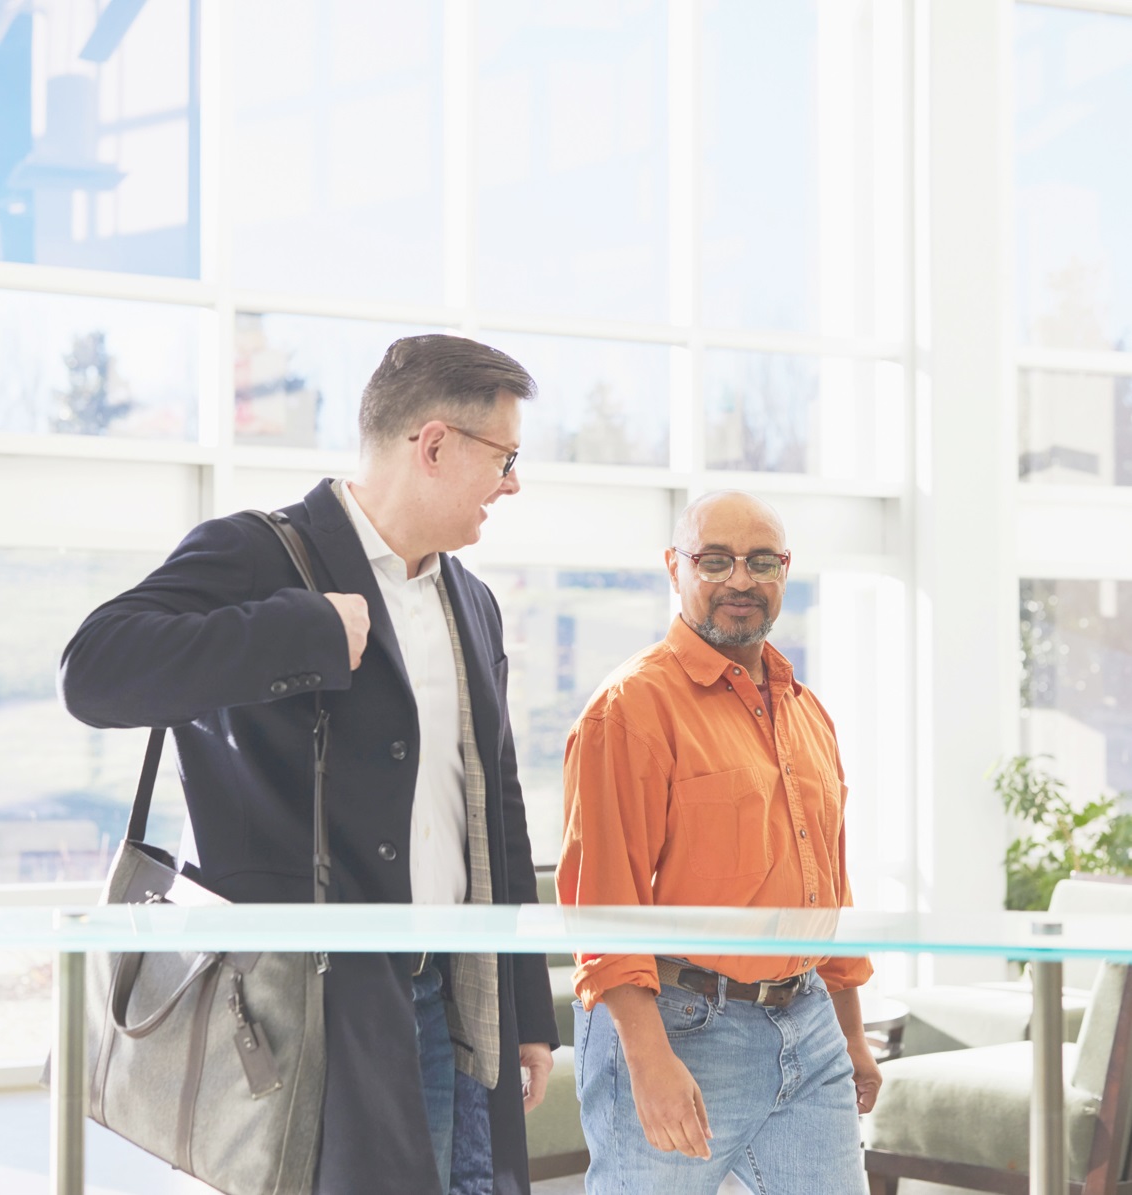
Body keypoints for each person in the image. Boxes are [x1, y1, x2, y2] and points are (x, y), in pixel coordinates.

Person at [60, 334, 559, 1195]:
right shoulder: (257, 553)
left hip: (449, 997)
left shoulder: (472, 601)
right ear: (434, 444)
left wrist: (523, 1008)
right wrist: (303, 630)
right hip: (306, 1008)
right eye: (504, 457)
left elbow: (494, 807)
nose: (511, 483)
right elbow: (93, 671)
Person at [556, 490, 881, 1195]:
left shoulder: (805, 710)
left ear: (784, 571)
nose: (740, 579)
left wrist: (850, 1031)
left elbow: (827, 885)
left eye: (760, 561)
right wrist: (647, 1062)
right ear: (674, 567)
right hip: (679, 1027)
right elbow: (602, 903)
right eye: (714, 560)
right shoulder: (630, 707)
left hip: (809, 1025)